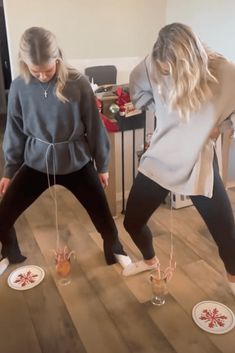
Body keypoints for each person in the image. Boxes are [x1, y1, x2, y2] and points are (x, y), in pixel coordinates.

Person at [0, 26, 131, 276]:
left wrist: (102, 165)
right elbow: (15, 130)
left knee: (102, 213)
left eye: (47, 70)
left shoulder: (77, 82)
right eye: (34, 70)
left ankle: (115, 249)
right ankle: (8, 252)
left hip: (76, 161)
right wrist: (9, 170)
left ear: (57, 58)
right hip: (37, 161)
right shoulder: (19, 86)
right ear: (24, 63)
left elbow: (94, 126)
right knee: (4, 214)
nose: (41, 76)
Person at [122, 22, 235, 296]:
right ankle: (150, 261)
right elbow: (137, 90)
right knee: (131, 222)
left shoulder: (224, 72)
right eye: (162, 69)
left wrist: (223, 125)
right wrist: (162, 114)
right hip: (160, 158)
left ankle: (233, 281)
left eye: (170, 69)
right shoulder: (152, 63)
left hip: (198, 164)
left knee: (227, 236)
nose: (165, 74)